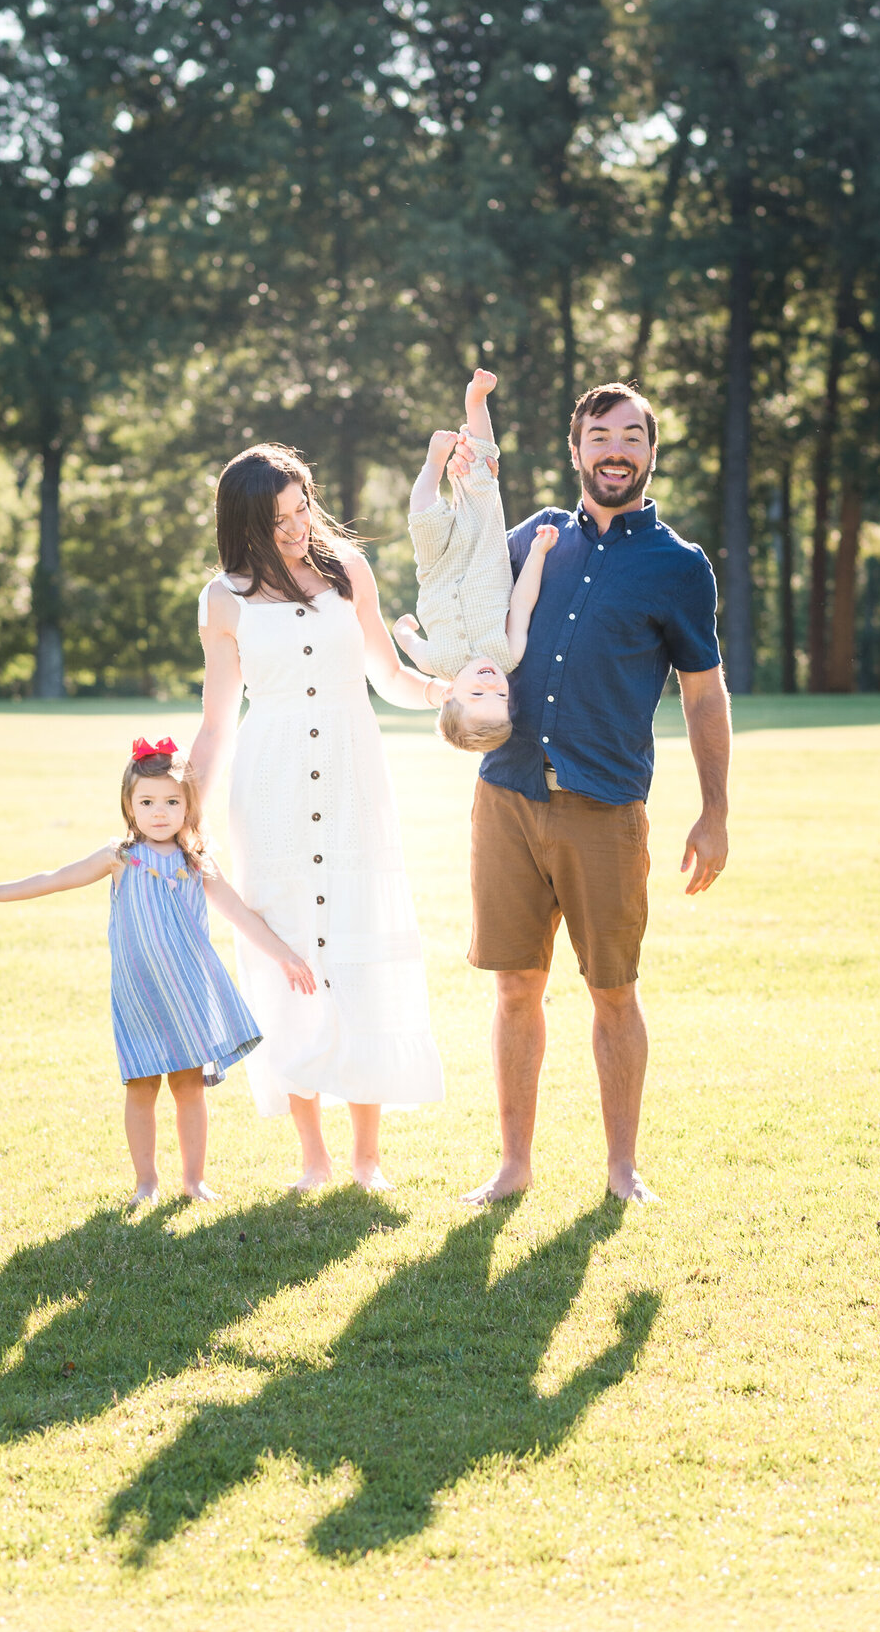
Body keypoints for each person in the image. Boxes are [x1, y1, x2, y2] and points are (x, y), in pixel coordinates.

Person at [463, 382, 731, 1206]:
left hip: (605, 809)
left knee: (613, 991)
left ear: (650, 453)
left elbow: (704, 695)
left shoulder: (679, 568)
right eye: (599, 436)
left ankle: (622, 1170)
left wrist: (715, 811)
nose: (615, 450)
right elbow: (470, 624)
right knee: (515, 987)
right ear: (575, 449)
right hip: (505, 796)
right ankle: (514, 1167)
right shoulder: (530, 538)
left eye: (631, 438)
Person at [191, 444, 446, 1194]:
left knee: (360, 958)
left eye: (303, 508)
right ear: (245, 525)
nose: (299, 527)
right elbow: (215, 725)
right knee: (288, 958)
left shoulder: (349, 574)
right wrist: (185, 817)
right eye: (279, 520)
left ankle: (367, 1161)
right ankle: (314, 1160)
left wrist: (446, 694)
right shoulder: (224, 599)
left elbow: (390, 679)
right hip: (266, 789)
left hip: (351, 780)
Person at [0, 737, 314, 1205]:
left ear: (188, 806)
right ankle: (146, 1182)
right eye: (147, 802)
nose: (159, 812)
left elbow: (241, 915)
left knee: (188, 1085)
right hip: (139, 994)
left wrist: (284, 954)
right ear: (129, 805)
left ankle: (193, 1180)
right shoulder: (119, 858)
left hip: (186, 991)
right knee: (142, 1085)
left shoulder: (196, 861)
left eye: (171, 801)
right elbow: (55, 878)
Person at [393, 367, 558, 753]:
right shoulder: (508, 655)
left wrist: (403, 631)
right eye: (500, 699)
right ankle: (476, 403)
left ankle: (433, 465)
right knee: (482, 476)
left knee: (422, 511)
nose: (492, 688)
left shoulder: (436, 665)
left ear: (449, 695)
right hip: (484, 549)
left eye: (477, 696)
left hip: (437, 567)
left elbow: (409, 644)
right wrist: (536, 554)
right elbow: (522, 602)